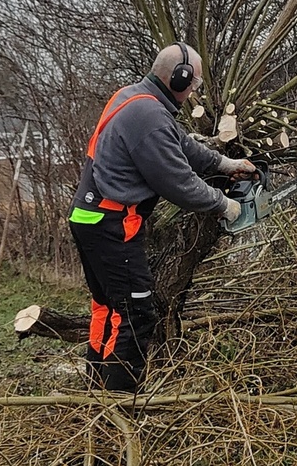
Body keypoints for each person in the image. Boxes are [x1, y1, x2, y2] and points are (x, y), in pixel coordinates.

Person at [67, 42, 253, 392]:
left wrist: (222, 164)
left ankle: (95, 392)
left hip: (89, 218)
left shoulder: (135, 98)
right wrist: (224, 205)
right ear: (179, 79)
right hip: (112, 224)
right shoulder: (149, 116)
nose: (193, 92)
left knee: (107, 309)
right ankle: (119, 406)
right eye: (193, 84)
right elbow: (178, 183)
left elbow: (180, 144)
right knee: (136, 314)